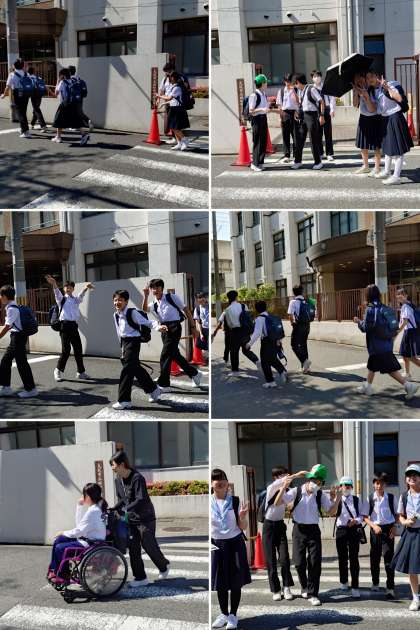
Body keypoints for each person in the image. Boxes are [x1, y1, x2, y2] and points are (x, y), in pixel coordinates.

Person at [275, 464, 339, 606]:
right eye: (314, 480)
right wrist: (284, 486)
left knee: (315, 563)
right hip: (298, 530)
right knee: (298, 563)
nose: (316, 484)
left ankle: (313, 593)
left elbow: (331, 511)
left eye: (319, 482)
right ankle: (304, 586)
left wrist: (338, 498)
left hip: (313, 531)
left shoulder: (320, 494)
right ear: (309, 479)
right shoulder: (296, 491)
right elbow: (277, 502)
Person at [110, 451, 170, 587]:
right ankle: (140, 577)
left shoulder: (137, 478)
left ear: (122, 464)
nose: (112, 468)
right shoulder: (118, 480)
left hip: (145, 517)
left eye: (113, 465)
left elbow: (141, 498)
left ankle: (164, 565)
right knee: (133, 547)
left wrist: (126, 509)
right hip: (131, 518)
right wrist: (114, 508)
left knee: (148, 544)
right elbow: (122, 499)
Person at [354, 283, 418, 399]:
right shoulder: (384, 307)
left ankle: (409, 386)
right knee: (372, 366)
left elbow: (366, 328)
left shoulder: (370, 309)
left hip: (377, 346)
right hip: (386, 344)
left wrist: (358, 321)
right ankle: (367, 386)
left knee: (390, 369)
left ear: (368, 295)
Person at [143, 279, 202, 391]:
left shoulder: (171, 297)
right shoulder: (154, 303)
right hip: (164, 329)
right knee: (175, 355)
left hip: (174, 327)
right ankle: (194, 374)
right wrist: (145, 296)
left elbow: (186, 310)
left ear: (162, 288)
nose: (155, 290)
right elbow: (145, 309)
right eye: (153, 288)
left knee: (165, 355)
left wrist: (193, 327)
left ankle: (164, 384)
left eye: (157, 287)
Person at [112, 289, 167, 410]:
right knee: (135, 368)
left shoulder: (132, 313)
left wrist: (158, 327)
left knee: (127, 370)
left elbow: (148, 322)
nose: (117, 302)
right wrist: (122, 348)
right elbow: (119, 332)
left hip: (134, 342)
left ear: (126, 301)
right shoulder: (116, 315)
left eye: (120, 300)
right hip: (125, 343)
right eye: (115, 300)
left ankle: (124, 400)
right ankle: (154, 390)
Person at [211, 468, 251, 629]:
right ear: (211, 483)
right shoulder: (208, 502)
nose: (220, 481)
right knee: (220, 583)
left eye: (223, 478)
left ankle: (233, 615)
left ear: (227, 483)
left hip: (235, 544)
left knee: (235, 581)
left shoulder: (234, 501)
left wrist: (242, 517)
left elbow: (243, 527)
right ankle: (223, 613)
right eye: (216, 479)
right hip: (217, 545)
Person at [261, 466, 306, 601]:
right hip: (268, 527)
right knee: (271, 561)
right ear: (276, 477)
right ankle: (275, 589)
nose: (286, 477)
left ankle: (286, 587)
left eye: (286, 474)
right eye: (282, 475)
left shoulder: (287, 491)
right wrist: (297, 474)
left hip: (280, 526)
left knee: (285, 558)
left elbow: (293, 499)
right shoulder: (271, 488)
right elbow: (281, 483)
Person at [47, 483, 107, 583]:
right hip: (90, 540)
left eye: (84, 494)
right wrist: (79, 506)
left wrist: (63, 532)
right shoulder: (95, 508)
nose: (82, 496)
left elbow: (79, 531)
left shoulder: (93, 511)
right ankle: (54, 570)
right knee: (59, 540)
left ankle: (62, 575)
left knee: (60, 547)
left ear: (88, 496)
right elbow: (80, 526)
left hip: (91, 544)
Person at [45, 275, 93, 383]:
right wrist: (54, 283)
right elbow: (56, 292)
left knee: (78, 349)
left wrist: (86, 288)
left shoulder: (75, 300)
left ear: (73, 289)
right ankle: (57, 370)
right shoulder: (61, 299)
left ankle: (80, 372)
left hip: (73, 326)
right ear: (64, 289)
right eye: (66, 287)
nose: (68, 288)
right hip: (64, 326)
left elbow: (81, 296)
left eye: (70, 287)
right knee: (66, 350)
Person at [0, 285, 38, 398]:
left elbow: (7, 326)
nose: (0, 298)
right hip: (17, 337)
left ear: (4, 296)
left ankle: (31, 389)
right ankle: (6, 387)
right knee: (6, 361)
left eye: (0, 295)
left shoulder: (12, 309)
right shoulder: (13, 306)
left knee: (21, 363)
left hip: (18, 338)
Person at [391, 464, 420, 611]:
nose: (412, 477)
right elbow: (400, 516)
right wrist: (405, 522)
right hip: (410, 534)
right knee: (412, 569)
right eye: (409, 475)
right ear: (406, 479)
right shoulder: (404, 496)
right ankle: (416, 598)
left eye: (415, 475)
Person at [376, 73, 414, 185]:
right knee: (387, 147)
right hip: (386, 119)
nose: (371, 79)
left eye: (373, 77)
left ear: (380, 77)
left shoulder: (392, 85)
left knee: (398, 149)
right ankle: (387, 171)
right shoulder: (377, 91)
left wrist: (387, 87)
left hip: (395, 118)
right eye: (368, 78)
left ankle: (396, 176)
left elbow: (399, 98)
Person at [363, 472, 397, 598]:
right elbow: (365, 517)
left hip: (388, 530)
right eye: (377, 483)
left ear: (385, 484)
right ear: (373, 484)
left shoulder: (391, 498)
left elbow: (397, 515)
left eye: (382, 483)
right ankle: (375, 582)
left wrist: (394, 527)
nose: (379, 486)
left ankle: (390, 587)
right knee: (374, 558)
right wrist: (374, 526)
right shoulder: (370, 498)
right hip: (375, 530)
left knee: (389, 559)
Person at [212, 290, 259, 376]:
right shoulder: (244, 306)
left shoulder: (227, 310)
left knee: (234, 351)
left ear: (228, 298)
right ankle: (256, 360)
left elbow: (230, 324)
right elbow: (248, 317)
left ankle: (235, 371)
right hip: (245, 331)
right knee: (246, 349)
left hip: (235, 332)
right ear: (236, 297)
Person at [334, 476, 363, 598]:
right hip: (341, 530)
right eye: (343, 485)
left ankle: (355, 586)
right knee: (342, 558)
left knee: (354, 558)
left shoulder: (356, 500)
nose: (345, 487)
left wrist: (355, 521)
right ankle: (344, 581)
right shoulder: (337, 499)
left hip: (353, 530)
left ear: (351, 487)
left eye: (348, 485)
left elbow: (362, 516)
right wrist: (335, 498)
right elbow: (332, 512)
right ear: (340, 487)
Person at [246, 300, 286, 388]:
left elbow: (257, 333)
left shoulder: (259, 319)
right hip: (275, 340)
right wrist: (279, 340)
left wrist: (249, 344)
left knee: (264, 362)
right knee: (272, 358)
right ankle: (282, 371)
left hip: (266, 341)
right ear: (265, 307)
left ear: (256, 309)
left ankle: (271, 381)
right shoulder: (271, 316)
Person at [353, 73, 383, 176]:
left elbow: (372, 109)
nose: (359, 80)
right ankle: (365, 166)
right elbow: (355, 105)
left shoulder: (372, 89)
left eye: (361, 77)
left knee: (376, 145)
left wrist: (366, 97)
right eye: (356, 78)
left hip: (374, 119)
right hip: (363, 118)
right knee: (363, 144)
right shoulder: (358, 89)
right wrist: (355, 93)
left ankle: (377, 168)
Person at [293, 73, 325, 170]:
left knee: (313, 139)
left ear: (299, 82)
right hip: (304, 116)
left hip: (312, 116)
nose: (295, 85)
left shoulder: (311, 89)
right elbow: (301, 103)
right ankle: (298, 161)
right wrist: (297, 112)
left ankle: (318, 162)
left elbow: (321, 101)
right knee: (300, 139)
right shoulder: (301, 91)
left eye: (295, 83)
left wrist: (322, 115)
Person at [51, 67, 90, 145]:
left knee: (59, 119)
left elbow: (56, 93)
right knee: (74, 121)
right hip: (74, 103)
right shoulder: (74, 81)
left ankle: (58, 137)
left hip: (65, 104)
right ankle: (83, 135)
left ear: (62, 75)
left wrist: (57, 82)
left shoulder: (62, 82)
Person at [156, 71, 190, 151]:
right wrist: (164, 104)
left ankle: (185, 140)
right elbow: (173, 100)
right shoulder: (175, 86)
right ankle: (179, 143)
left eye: (170, 78)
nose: (169, 80)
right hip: (174, 108)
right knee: (173, 127)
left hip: (177, 110)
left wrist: (159, 96)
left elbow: (169, 98)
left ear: (173, 78)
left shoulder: (177, 88)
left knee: (176, 128)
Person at [0, 59, 33, 138]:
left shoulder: (12, 74)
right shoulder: (26, 73)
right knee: (23, 112)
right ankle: (23, 129)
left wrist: (4, 95)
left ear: (14, 66)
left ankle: (26, 132)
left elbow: (8, 86)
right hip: (26, 93)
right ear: (22, 66)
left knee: (20, 113)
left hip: (18, 94)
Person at [396, 286, 420, 380]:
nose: (399, 296)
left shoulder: (406, 306)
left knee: (411, 357)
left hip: (410, 333)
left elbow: (405, 321)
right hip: (411, 332)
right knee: (405, 354)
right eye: (398, 294)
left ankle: (407, 374)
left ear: (406, 295)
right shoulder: (409, 304)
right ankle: (407, 374)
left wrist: (398, 331)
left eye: (402, 294)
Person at [311, 70, 335, 161]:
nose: (317, 78)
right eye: (315, 76)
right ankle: (320, 153)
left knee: (328, 133)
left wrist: (332, 110)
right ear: (312, 78)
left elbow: (332, 98)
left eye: (318, 76)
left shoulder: (326, 86)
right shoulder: (311, 89)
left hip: (327, 110)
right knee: (318, 133)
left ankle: (329, 153)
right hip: (317, 112)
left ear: (321, 77)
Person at [288, 285, 312, 373]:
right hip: (307, 325)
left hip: (299, 325)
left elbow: (290, 315)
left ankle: (304, 361)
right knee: (303, 345)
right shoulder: (307, 301)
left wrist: (292, 324)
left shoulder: (293, 302)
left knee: (293, 345)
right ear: (302, 291)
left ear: (294, 292)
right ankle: (306, 368)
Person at [276, 73, 299, 163]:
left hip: (294, 113)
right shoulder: (281, 91)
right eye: (286, 81)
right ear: (284, 81)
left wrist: (293, 91)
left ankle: (296, 155)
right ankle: (286, 155)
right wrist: (280, 117)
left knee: (295, 135)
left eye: (290, 81)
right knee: (285, 135)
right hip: (285, 113)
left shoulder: (296, 90)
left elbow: (299, 102)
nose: (288, 83)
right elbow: (279, 105)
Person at [249, 74, 270, 172]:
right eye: (266, 83)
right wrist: (262, 109)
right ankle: (255, 164)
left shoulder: (264, 94)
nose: (267, 84)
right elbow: (251, 111)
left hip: (263, 118)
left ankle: (260, 162)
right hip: (257, 120)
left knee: (263, 141)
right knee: (257, 142)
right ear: (262, 84)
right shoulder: (254, 95)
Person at [68, 65, 93, 131]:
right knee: (79, 112)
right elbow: (84, 92)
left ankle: (74, 126)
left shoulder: (69, 80)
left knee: (72, 112)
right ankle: (88, 120)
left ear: (69, 72)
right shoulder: (80, 80)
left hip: (72, 98)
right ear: (75, 71)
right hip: (79, 98)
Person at [27, 66, 47, 132]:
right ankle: (32, 124)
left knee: (36, 110)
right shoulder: (38, 77)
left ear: (28, 72)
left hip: (34, 95)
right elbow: (44, 85)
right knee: (36, 109)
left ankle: (43, 126)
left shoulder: (28, 78)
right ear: (34, 71)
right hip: (40, 94)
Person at [194, 292, 209, 359]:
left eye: (202, 298)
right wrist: (201, 334)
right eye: (198, 299)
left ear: (205, 298)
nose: (200, 300)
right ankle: (207, 360)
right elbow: (198, 322)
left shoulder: (209, 306)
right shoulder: (197, 309)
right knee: (204, 352)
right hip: (204, 330)